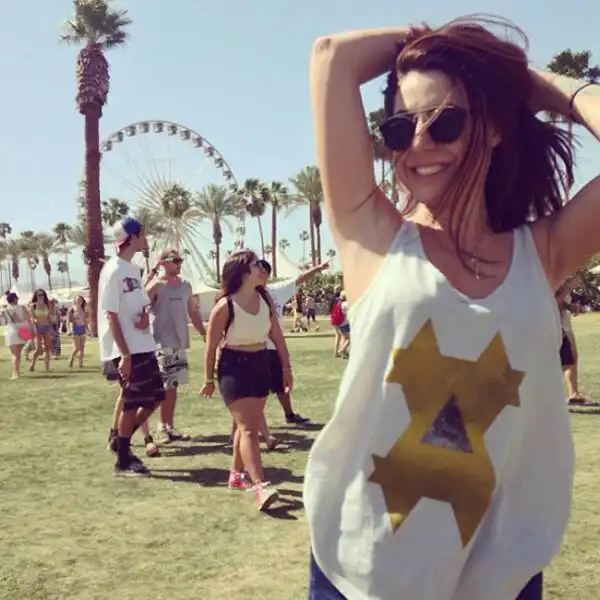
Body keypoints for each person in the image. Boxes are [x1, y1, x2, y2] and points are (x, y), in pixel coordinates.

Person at [303, 17, 600, 599]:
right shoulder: (371, 236)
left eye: (445, 122)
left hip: (500, 578)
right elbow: (330, 56)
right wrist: (427, 39)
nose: (420, 144)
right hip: (362, 576)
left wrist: (534, 83)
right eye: (399, 128)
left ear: (492, 128)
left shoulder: (543, 253)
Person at [201, 250, 292, 511]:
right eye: (256, 264)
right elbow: (210, 347)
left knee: (245, 426)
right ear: (242, 272)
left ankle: (235, 474)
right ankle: (261, 486)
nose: (262, 268)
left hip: (261, 363)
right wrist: (208, 379)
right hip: (233, 367)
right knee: (249, 428)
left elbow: (276, 335)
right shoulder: (224, 306)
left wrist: (286, 368)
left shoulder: (265, 299)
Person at [99, 217, 165, 476]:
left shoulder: (132, 269)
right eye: (142, 234)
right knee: (131, 401)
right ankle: (124, 459)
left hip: (143, 344)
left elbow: (139, 304)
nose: (145, 238)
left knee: (156, 397)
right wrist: (124, 354)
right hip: (127, 349)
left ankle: (120, 441)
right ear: (133, 237)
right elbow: (111, 315)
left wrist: (145, 315)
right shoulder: (113, 270)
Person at [144, 248, 207, 446]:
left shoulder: (186, 286)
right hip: (160, 341)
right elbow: (138, 306)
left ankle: (168, 426)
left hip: (178, 342)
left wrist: (205, 334)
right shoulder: (156, 285)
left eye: (181, 260)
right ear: (163, 262)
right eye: (175, 260)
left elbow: (193, 312)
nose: (179, 264)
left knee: (173, 386)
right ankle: (160, 428)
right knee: (165, 386)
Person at [261, 259, 329, 424]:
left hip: (274, 347)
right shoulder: (245, 293)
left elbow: (299, 279)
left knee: (280, 382)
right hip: (254, 347)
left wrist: (318, 268)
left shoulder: (276, 290)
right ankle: (252, 421)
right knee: (256, 386)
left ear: (267, 275)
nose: (260, 274)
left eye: (263, 271)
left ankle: (289, 414)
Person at [3, 292, 33, 379]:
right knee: (18, 354)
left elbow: (6, 321)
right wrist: (31, 330)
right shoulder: (22, 308)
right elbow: (28, 320)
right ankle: (17, 372)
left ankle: (15, 374)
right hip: (23, 330)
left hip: (11, 331)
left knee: (14, 354)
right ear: (15, 299)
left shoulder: (5, 310)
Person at [29, 289, 52, 372]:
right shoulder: (33, 306)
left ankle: (47, 368)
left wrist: (51, 328)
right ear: (36, 296)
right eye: (39, 295)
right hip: (37, 327)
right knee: (38, 349)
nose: (41, 296)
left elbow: (49, 317)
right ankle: (32, 363)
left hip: (46, 327)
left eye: (42, 295)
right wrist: (34, 321)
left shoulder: (47, 305)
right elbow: (31, 317)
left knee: (47, 347)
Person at [67, 295, 88, 368]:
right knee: (77, 347)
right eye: (78, 299)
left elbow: (85, 321)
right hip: (75, 329)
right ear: (75, 300)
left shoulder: (84, 309)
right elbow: (68, 321)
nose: (79, 301)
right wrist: (69, 330)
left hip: (82, 329)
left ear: (82, 301)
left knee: (82, 348)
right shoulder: (71, 310)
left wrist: (88, 331)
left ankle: (81, 364)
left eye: (80, 299)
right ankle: (71, 358)